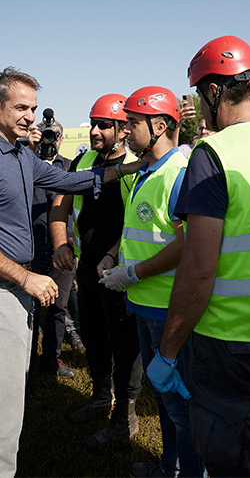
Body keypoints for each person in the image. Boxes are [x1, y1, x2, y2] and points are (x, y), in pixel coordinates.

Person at [0, 69, 144, 477]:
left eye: (33, 108)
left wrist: (127, 169)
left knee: (13, 395)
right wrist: (25, 277)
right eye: (21, 107)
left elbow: (70, 180)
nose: (30, 117)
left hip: (14, 288)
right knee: (4, 401)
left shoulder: (21, 155)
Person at [149, 35, 250, 477]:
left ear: (214, 91)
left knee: (230, 456)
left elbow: (199, 268)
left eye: (200, 96)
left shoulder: (213, 154)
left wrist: (168, 351)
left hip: (228, 342)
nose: (201, 110)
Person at [97, 86, 202, 478]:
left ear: (160, 126)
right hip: (144, 302)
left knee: (178, 402)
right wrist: (114, 257)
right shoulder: (147, 170)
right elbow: (140, 230)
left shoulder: (178, 173)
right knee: (164, 399)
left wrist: (134, 273)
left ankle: (188, 472)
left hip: (166, 308)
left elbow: (187, 241)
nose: (126, 132)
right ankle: (169, 466)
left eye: (133, 124)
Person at [49, 93, 144, 448]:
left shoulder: (136, 166)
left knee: (125, 342)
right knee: (93, 335)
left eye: (103, 125)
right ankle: (101, 395)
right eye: (93, 123)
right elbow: (60, 204)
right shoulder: (84, 160)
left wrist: (112, 257)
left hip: (120, 272)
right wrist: (61, 244)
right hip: (87, 268)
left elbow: (136, 222)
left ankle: (126, 415)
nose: (94, 131)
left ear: (122, 129)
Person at [30, 119, 80, 378]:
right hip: (33, 245)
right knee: (31, 306)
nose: (51, 140)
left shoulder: (70, 167)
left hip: (64, 246)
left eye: (55, 135)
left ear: (61, 139)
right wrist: (30, 150)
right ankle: (26, 361)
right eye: (46, 135)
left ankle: (51, 357)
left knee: (59, 305)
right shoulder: (26, 163)